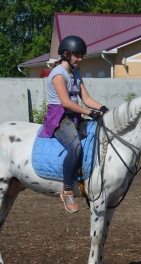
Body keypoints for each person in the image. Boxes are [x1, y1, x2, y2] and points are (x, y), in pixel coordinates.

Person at [39, 35, 109, 214]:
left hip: (75, 116)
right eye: (77, 55)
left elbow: (86, 98)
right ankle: (67, 190)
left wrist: (102, 108)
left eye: (81, 55)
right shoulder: (58, 74)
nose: (80, 59)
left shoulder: (76, 74)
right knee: (75, 147)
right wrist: (88, 112)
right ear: (65, 54)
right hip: (60, 118)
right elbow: (66, 102)